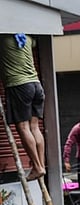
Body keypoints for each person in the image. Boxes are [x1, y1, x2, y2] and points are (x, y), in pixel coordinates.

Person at [0, 33, 46, 181]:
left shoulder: (3, 38)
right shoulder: (27, 38)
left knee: (23, 128)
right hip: (36, 85)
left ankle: (38, 167)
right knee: (35, 127)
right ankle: (41, 166)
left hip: (19, 85)